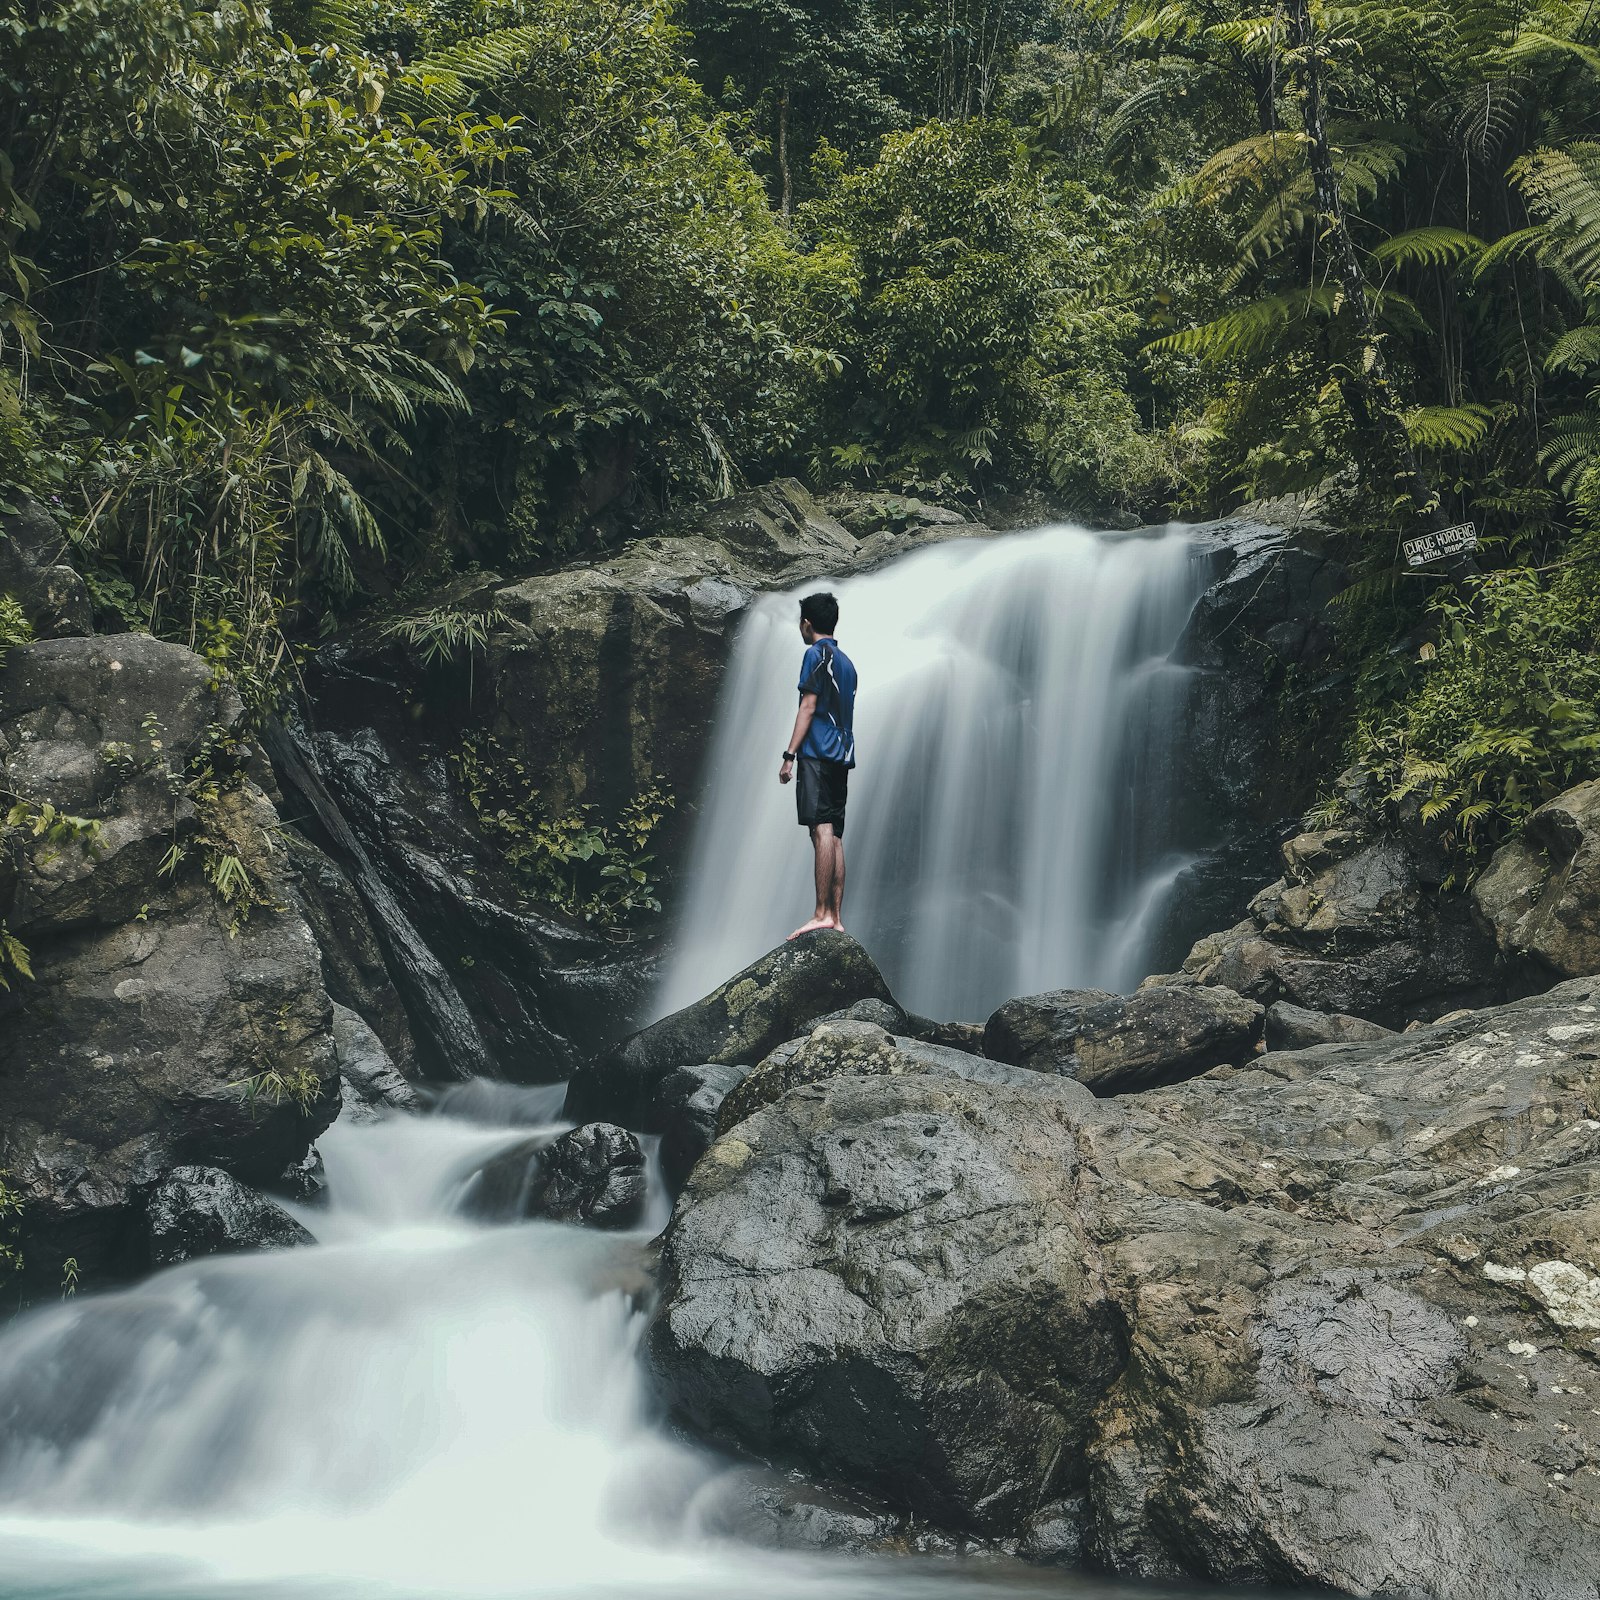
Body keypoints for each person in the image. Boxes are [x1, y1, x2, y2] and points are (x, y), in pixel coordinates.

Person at [778, 591, 857, 938]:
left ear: (807, 624)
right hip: (842, 754)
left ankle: (821, 911)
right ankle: (836, 917)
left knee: (820, 829)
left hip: (818, 753)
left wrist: (789, 755)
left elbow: (808, 706)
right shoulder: (847, 663)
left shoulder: (815, 654)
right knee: (835, 834)